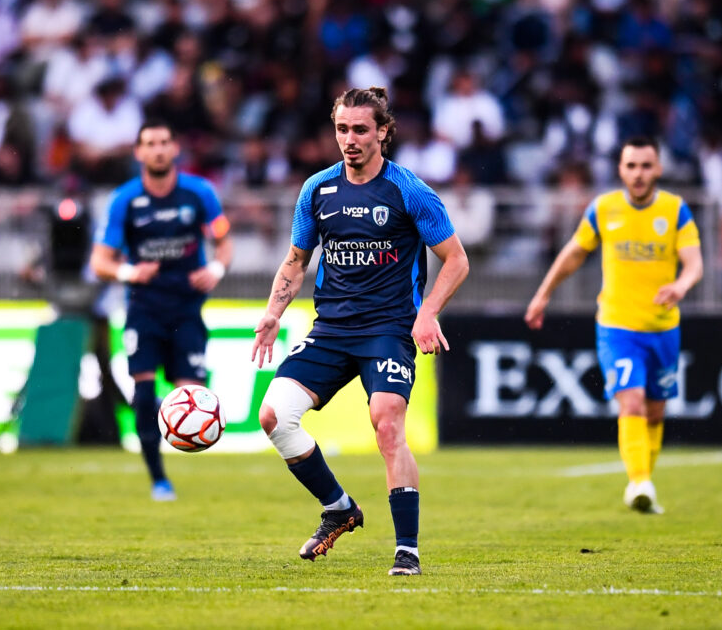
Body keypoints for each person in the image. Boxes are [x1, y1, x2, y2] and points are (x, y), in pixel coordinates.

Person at [251, 87, 470, 576]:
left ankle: (407, 550)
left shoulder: (408, 190)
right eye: (341, 129)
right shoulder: (317, 190)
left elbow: (456, 260)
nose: (349, 140)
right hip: (330, 329)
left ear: (383, 133)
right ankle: (339, 508)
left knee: (387, 423)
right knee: (273, 416)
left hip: (388, 330)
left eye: (360, 130)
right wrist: (273, 313)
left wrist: (427, 312)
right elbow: (296, 261)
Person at [525, 136, 704, 514]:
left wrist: (681, 285)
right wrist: (543, 294)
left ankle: (642, 482)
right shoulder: (604, 208)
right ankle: (640, 482)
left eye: (645, 166)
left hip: (663, 327)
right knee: (633, 402)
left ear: (657, 169)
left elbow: (694, 264)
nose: (638, 174)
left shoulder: (675, 210)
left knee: (655, 411)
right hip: (617, 326)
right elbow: (575, 252)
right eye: (631, 166)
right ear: (621, 169)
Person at [90, 118, 233, 501]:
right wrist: (128, 271)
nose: (157, 149)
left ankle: (167, 423)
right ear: (138, 152)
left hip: (187, 309)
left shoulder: (199, 193)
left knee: (192, 393)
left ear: (174, 149)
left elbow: (223, 241)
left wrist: (216, 268)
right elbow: (100, 261)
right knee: (144, 386)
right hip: (144, 309)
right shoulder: (125, 200)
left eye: (164, 142)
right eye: (149, 143)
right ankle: (158, 479)